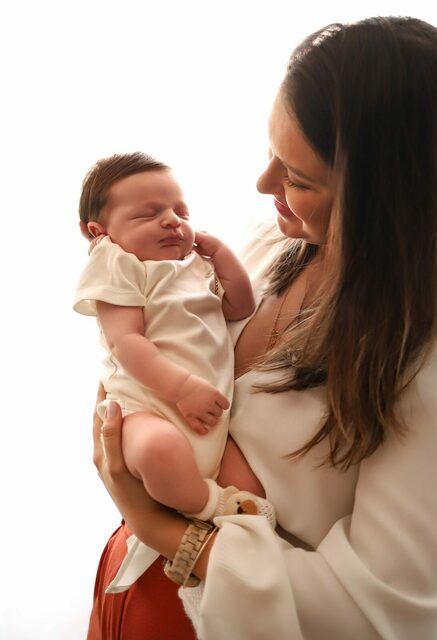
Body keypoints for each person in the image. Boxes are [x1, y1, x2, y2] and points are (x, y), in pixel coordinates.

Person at [88, 16, 437, 640]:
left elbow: (383, 618)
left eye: (297, 177)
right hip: (126, 580)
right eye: (272, 155)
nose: (264, 186)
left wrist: (164, 531)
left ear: (387, 202)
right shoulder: (276, 243)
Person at [75, 154, 273, 591]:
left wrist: (222, 258)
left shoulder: (193, 266)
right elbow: (127, 342)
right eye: (149, 214)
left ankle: (229, 539)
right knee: (160, 453)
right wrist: (182, 388)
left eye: (180, 212)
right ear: (100, 232)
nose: (172, 222)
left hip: (207, 419)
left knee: (254, 493)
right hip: (150, 407)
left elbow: (239, 307)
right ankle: (209, 504)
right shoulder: (119, 264)